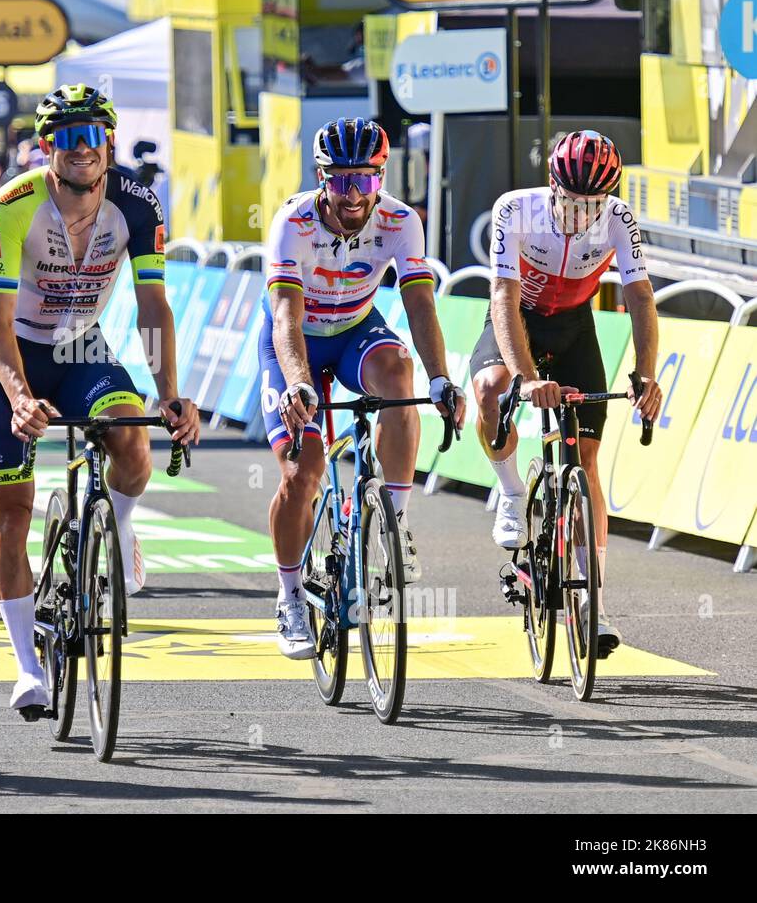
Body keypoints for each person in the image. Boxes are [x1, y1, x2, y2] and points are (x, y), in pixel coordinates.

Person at [0, 84, 201, 713]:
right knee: (10, 513)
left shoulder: (137, 202)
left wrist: (171, 394)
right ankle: (27, 668)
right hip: (11, 352)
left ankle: (120, 528)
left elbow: (153, 302)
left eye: (92, 136)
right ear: (47, 147)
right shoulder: (10, 206)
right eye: (67, 138)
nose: (81, 149)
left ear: (108, 142)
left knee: (131, 433)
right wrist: (19, 397)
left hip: (80, 347)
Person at [263, 117, 466, 660]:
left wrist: (441, 377)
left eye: (367, 181)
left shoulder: (401, 220)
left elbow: (420, 303)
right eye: (340, 180)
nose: (354, 194)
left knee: (401, 375)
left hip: (354, 329)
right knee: (302, 472)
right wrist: (300, 386)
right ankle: (288, 598)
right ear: (320, 178)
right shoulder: (293, 223)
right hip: (295, 338)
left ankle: (393, 520)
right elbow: (285, 316)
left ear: (383, 177)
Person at [471, 130, 662, 657]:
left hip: (574, 327)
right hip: (520, 320)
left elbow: (641, 297)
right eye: (574, 203)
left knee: (587, 460)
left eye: (593, 205)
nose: (583, 215)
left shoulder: (619, 218)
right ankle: (511, 492)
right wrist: (527, 378)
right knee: (491, 388)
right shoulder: (516, 209)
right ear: (552, 187)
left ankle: (591, 598)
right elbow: (505, 299)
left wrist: (646, 374)